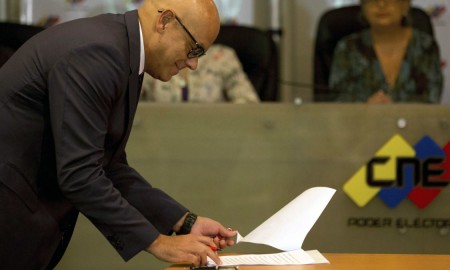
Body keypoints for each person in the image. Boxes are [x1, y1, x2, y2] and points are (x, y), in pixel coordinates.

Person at [0, 0, 237, 269]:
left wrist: (185, 221)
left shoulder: (122, 49)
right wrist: (158, 243)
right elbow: (80, 174)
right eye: (194, 48)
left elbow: (108, 165)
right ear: (165, 21)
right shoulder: (98, 53)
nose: (194, 64)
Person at [329, 0, 444, 104]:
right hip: (361, 124)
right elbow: (338, 98)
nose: (381, 4)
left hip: (414, 125)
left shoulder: (425, 46)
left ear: (405, 6)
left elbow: (431, 98)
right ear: (363, 8)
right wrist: (365, 105)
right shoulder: (348, 48)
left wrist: (394, 107)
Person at [141, 43, 260, 103]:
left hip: (214, 140)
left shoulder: (222, 56)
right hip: (157, 140)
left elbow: (249, 105)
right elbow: (129, 106)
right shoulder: (153, 55)